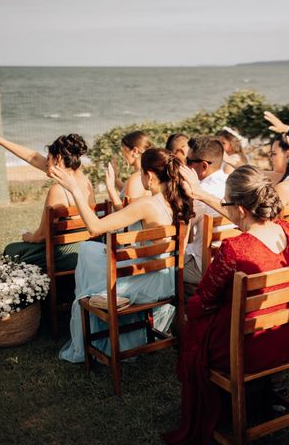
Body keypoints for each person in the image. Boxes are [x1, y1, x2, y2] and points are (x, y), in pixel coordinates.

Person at [164, 165, 289, 444]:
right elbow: (244, 218)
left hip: (246, 349)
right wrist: (201, 194)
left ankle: (219, 405)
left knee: (192, 321)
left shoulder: (234, 248)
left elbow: (204, 299)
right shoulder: (288, 231)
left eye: (227, 204)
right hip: (285, 336)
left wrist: (191, 309)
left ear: (240, 209)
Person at [52, 148, 194, 363]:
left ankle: (98, 311)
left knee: (86, 249)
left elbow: (94, 227)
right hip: (170, 280)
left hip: (148, 283)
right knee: (95, 252)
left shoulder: (148, 204)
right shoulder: (183, 200)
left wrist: (75, 191)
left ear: (150, 175)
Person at [0, 128, 94, 272]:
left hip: (66, 254)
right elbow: (33, 157)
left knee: (12, 249)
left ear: (59, 158)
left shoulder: (58, 190)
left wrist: (29, 237)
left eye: (48, 158)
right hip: (84, 246)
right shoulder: (84, 180)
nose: (46, 163)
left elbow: (41, 236)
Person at [182, 137, 228, 291]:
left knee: (158, 267)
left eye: (189, 161)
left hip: (204, 267)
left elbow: (178, 226)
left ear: (203, 165)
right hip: (228, 263)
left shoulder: (200, 192)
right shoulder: (231, 182)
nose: (185, 165)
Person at [105, 131, 152, 211]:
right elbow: (129, 191)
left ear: (135, 151)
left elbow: (125, 216)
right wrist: (116, 179)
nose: (122, 154)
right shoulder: (145, 174)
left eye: (123, 149)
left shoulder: (138, 178)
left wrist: (111, 189)